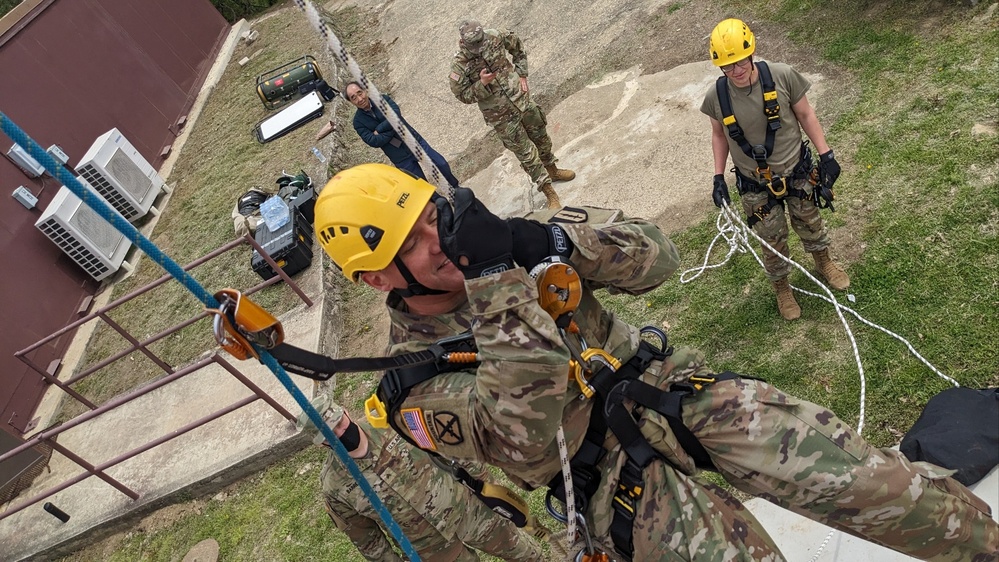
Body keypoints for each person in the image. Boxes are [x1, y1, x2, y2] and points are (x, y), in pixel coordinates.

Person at [313, 163, 999, 562]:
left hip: (666, 389)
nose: (441, 242)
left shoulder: (503, 245)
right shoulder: (410, 390)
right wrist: (496, 284)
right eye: (414, 241)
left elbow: (657, 258)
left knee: (877, 487)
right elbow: (525, 437)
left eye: (434, 216)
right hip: (609, 482)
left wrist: (552, 240)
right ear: (378, 279)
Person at [700, 18, 850, 321]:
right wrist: (718, 177)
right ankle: (782, 287)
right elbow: (719, 135)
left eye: (740, 63)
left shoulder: (783, 76)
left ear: (751, 54)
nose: (736, 71)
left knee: (810, 221)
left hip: (796, 171)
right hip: (755, 184)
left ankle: (824, 261)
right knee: (771, 239)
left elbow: (806, 114)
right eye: (728, 67)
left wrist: (827, 154)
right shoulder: (717, 97)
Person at [299, 393, 543, 562]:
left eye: (340, 422)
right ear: (322, 445)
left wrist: (486, 486)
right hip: (429, 550)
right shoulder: (334, 486)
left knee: (522, 553)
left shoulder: (391, 421)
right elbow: (366, 537)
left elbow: (450, 447)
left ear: (346, 412)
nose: (342, 432)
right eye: (331, 434)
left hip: (469, 510)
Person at [449, 19, 574, 210]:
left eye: (481, 43)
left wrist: (522, 73)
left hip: (521, 100)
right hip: (500, 116)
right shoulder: (459, 65)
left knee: (541, 137)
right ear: (463, 43)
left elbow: (517, 47)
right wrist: (481, 84)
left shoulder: (495, 36)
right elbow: (462, 95)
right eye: (474, 46)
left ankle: (553, 170)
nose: (479, 48)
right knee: (526, 154)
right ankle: (550, 193)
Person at [345, 81, 461, 188]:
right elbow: (373, 141)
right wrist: (394, 126)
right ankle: (439, 206)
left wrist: (379, 130)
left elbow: (395, 114)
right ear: (351, 102)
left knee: (440, 164)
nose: (360, 99)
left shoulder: (382, 99)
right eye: (354, 98)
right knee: (420, 186)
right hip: (399, 157)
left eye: (360, 93)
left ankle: (456, 190)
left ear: (365, 90)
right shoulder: (358, 122)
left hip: (414, 142)